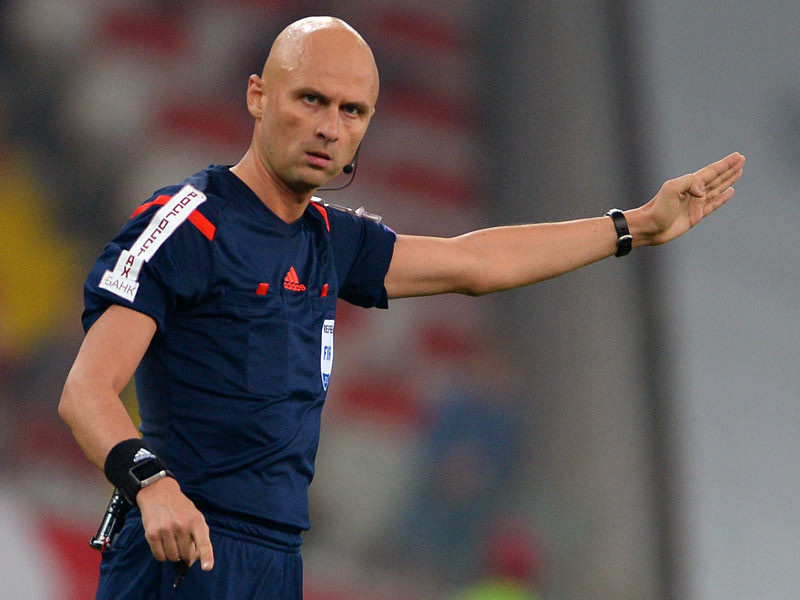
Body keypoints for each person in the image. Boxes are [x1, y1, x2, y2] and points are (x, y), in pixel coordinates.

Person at [58, 15, 745, 600]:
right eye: (311, 100)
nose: (330, 128)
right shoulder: (189, 224)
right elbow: (86, 391)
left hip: (275, 561)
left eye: (351, 111)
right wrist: (152, 485)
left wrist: (634, 227)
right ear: (258, 95)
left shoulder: (328, 240)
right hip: (179, 545)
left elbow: (476, 263)